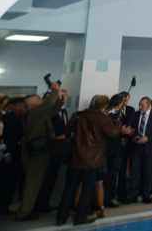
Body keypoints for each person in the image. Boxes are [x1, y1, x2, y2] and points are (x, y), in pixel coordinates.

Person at [55, 95, 126, 226]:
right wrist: (118, 122)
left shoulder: (78, 115)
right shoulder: (102, 119)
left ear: (93, 103)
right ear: (105, 107)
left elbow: (67, 130)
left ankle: (61, 218)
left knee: (69, 189)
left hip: (75, 158)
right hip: (92, 160)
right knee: (87, 190)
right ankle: (80, 218)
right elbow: (113, 133)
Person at [15, 84, 63, 221]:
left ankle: (26, 209)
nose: (40, 98)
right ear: (32, 104)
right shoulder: (33, 113)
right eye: (37, 98)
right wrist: (54, 90)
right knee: (33, 183)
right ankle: (23, 212)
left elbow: (53, 110)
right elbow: (49, 105)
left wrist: (59, 100)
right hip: (36, 152)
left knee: (33, 182)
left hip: (38, 150)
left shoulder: (36, 114)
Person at [122, 97, 152, 204]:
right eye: (139, 104)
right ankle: (133, 196)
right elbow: (129, 129)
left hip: (148, 147)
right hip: (136, 147)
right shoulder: (135, 115)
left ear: (148, 105)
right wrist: (134, 137)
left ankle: (146, 195)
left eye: (142, 105)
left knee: (148, 173)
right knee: (135, 172)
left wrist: (148, 138)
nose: (139, 107)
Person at [34, 89, 68, 214]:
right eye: (59, 96)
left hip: (58, 150)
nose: (61, 98)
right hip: (46, 149)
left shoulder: (63, 111)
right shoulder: (45, 113)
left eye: (64, 95)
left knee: (52, 179)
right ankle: (38, 205)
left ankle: (45, 202)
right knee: (43, 179)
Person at [0, 98, 25, 215]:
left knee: (13, 180)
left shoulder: (22, 118)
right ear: (10, 106)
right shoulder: (6, 118)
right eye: (16, 106)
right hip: (8, 152)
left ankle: (6, 204)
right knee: (6, 180)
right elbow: (2, 137)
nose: (18, 108)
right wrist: (6, 152)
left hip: (18, 153)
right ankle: (2, 206)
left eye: (20, 106)